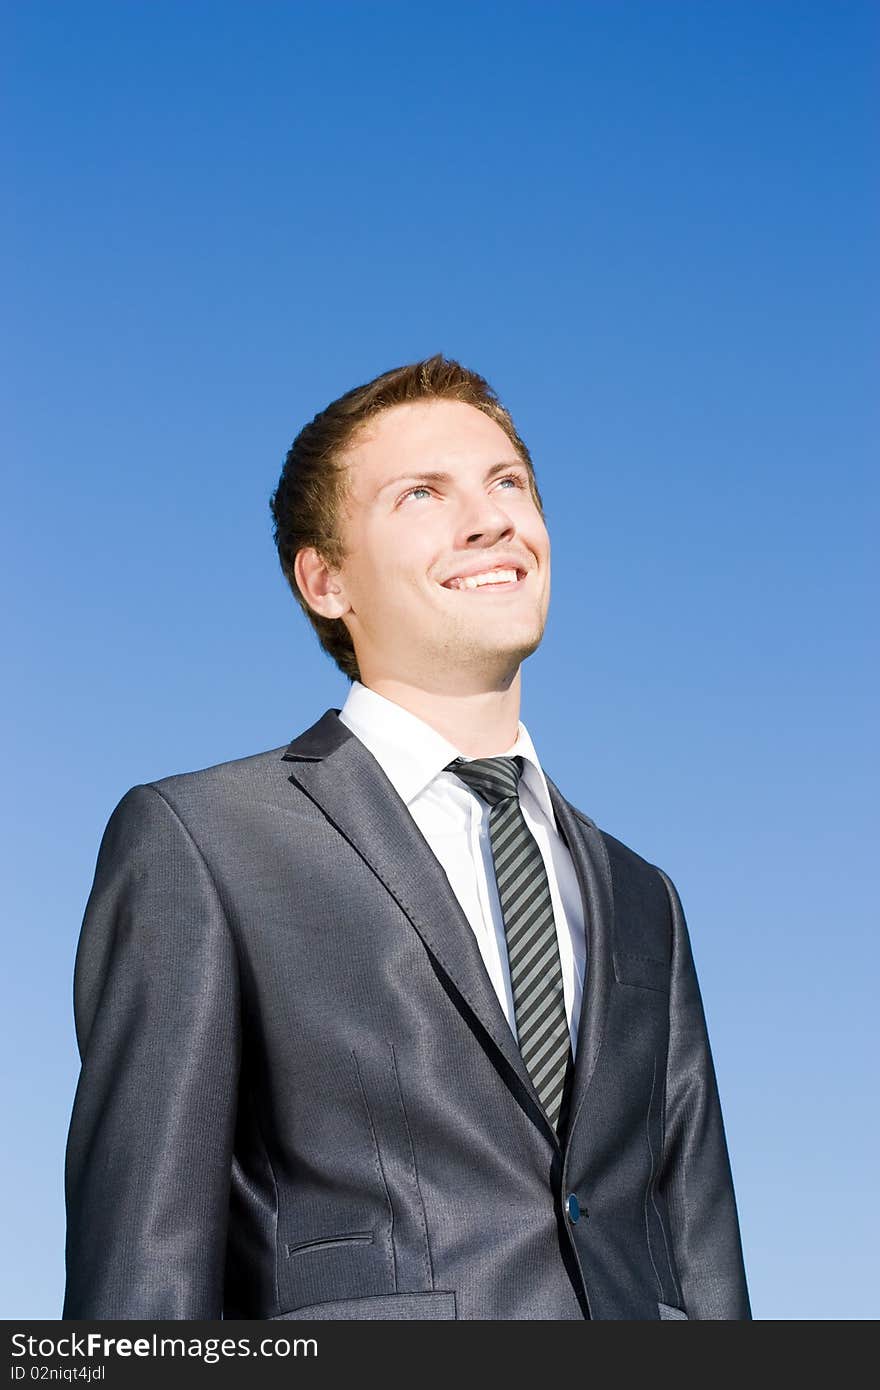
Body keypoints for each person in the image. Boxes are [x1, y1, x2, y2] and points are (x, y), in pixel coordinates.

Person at [63, 355, 750, 1320]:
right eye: (423, 493)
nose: (490, 516)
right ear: (327, 579)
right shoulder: (203, 842)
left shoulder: (644, 895)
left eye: (506, 482)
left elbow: (702, 1255)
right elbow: (140, 1281)